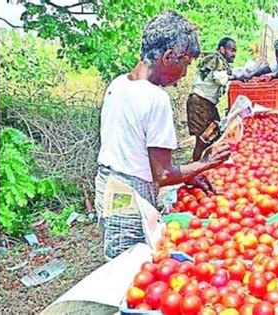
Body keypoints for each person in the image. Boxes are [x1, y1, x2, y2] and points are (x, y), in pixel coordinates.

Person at [95, 11, 230, 259]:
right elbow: (164, 174)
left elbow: (132, 152)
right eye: (186, 64)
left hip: (107, 187)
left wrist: (188, 176)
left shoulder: (118, 84)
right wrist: (206, 163)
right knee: (131, 267)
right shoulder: (155, 98)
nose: (184, 75)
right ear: (169, 57)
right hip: (131, 197)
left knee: (116, 258)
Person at [187, 37, 237, 161]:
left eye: (235, 50)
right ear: (222, 49)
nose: (234, 54)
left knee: (214, 134)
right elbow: (221, 79)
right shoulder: (215, 60)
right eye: (231, 50)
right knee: (203, 138)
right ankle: (195, 168)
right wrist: (238, 77)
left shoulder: (220, 62)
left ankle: (204, 165)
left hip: (207, 103)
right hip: (199, 102)